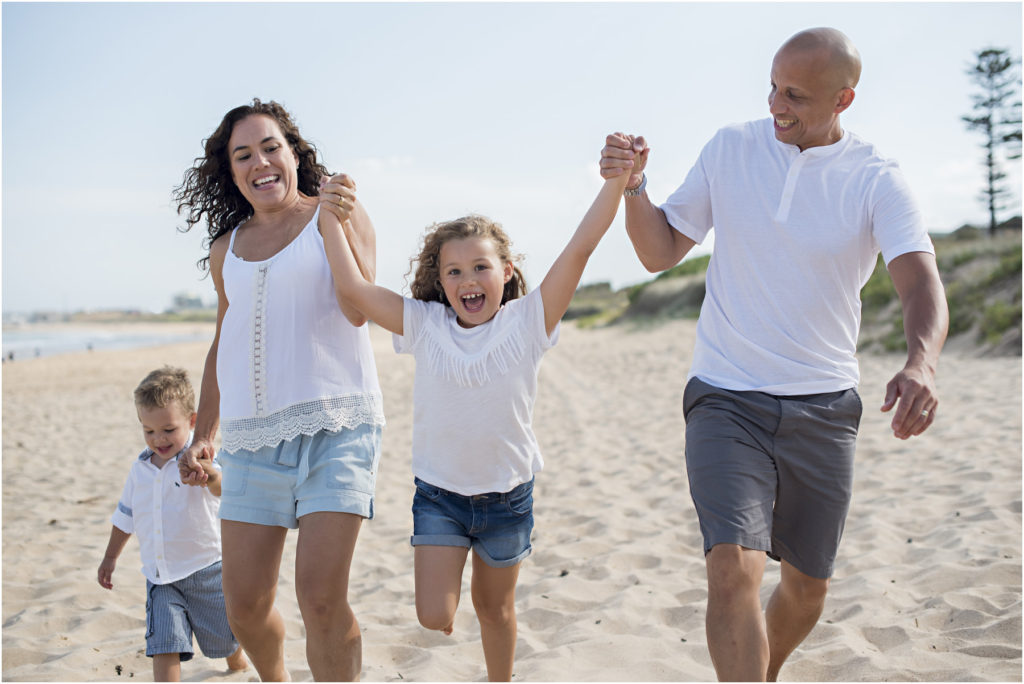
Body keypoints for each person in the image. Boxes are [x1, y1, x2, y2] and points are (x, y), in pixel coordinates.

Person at [600, 27, 949, 682]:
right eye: (771, 86)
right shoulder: (731, 149)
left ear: (845, 98)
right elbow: (658, 251)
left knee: (807, 589)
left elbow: (920, 284)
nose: (775, 105)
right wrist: (634, 186)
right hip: (725, 396)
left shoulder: (876, 179)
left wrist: (920, 362)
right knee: (733, 568)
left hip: (825, 407)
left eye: (795, 95)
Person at [315, 142, 633, 681]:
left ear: (506, 272)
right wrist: (329, 220)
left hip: (508, 496)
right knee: (433, 614)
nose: (468, 281)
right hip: (439, 495)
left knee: (494, 608)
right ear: (440, 283)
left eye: (480, 267)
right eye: (454, 271)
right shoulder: (425, 326)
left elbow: (580, 248)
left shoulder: (528, 322)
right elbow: (354, 289)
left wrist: (617, 182)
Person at [172, 99, 386, 682]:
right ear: (231, 172)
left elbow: (358, 309)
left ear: (295, 154)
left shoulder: (335, 214)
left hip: (336, 428)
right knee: (243, 607)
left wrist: (340, 223)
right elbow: (225, 343)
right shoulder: (226, 250)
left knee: (319, 597)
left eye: (271, 148)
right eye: (243, 155)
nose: (260, 162)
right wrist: (203, 435)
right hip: (251, 442)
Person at [97, 367, 248, 682]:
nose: (158, 439)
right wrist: (111, 557)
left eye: (168, 429)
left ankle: (236, 658)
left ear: (192, 422)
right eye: (149, 431)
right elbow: (126, 517)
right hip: (160, 578)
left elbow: (222, 487)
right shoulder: (140, 470)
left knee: (224, 639)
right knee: (163, 645)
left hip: (207, 571)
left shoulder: (199, 459)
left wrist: (210, 476)